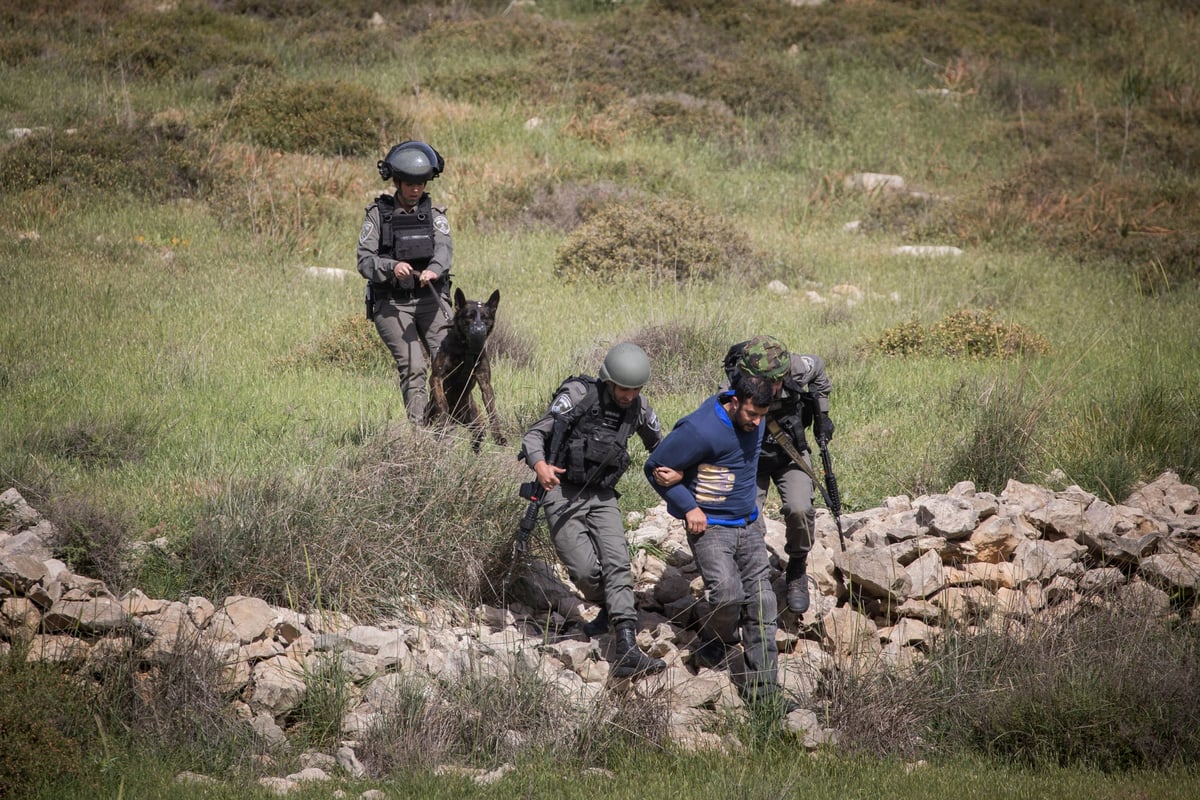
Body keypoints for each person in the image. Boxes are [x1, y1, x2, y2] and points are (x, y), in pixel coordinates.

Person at [643, 370, 794, 712]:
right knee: (727, 595)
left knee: (763, 602)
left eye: (762, 416)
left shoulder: (753, 420)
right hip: (709, 527)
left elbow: (731, 463)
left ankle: (764, 693)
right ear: (734, 400)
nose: (756, 423)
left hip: (749, 525)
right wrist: (687, 505)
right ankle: (713, 637)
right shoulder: (699, 429)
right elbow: (655, 467)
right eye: (751, 414)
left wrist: (689, 473)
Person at [519, 343, 666, 679]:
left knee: (618, 563)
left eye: (636, 390)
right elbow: (534, 436)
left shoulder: (639, 408)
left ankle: (627, 645)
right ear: (608, 381)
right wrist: (540, 465)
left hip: (602, 495)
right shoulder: (578, 394)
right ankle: (612, 606)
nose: (629, 396)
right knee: (585, 571)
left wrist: (672, 468)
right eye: (623, 389)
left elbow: (661, 444)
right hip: (561, 490)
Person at [723, 335, 835, 615]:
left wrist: (823, 416)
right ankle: (752, 578)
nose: (774, 387)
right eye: (767, 382)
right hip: (750, 457)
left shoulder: (796, 367)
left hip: (790, 451)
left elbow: (819, 369)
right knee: (747, 518)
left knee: (800, 509)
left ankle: (797, 567)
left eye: (777, 380)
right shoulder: (731, 387)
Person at [357, 140, 453, 424]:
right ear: (397, 182)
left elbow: (445, 250)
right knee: (413, 367)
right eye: (410, 183)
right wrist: (391, 267)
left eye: (421, 183)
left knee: (446, 365)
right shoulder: (378, 216)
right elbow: (364, 259)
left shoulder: (435, 216)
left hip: (430, 300)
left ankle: (443, 432)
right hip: (392, 304)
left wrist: (434, 269)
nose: (416, 189)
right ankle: (419, 435)